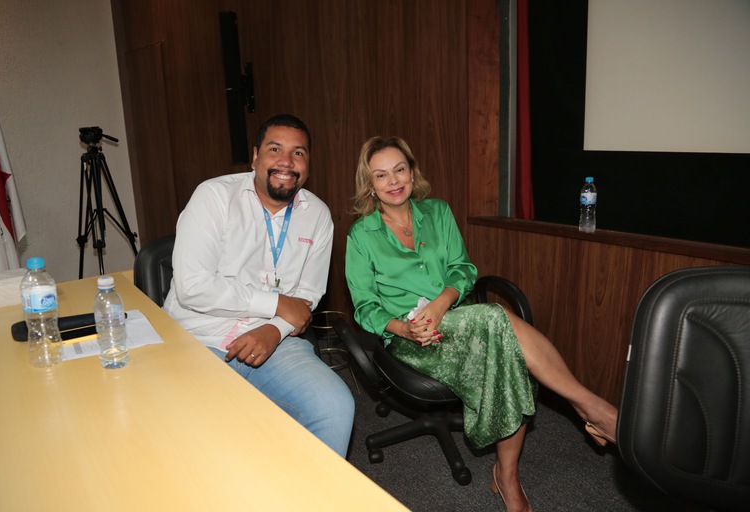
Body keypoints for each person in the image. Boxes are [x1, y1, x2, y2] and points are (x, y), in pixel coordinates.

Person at [344, 135, 618, 511]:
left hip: (458, 320)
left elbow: (463, 269)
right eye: (381, 175)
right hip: (411, 339)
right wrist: (404, 328)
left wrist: (441, 303)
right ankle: (589, 408)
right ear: (370, 185)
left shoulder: (438, 212)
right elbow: (364, 307)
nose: (393, 181)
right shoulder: (361, 235)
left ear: (412, 172)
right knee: (497, 318)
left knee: (505, 348)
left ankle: (508, 475)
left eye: (400, 170)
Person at [163, 114, 354, 457]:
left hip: (274, 340)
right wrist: (277, 304)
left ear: (308, 164)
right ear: (255, 156)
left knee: (335, 406)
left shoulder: (317, 215)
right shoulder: (213, 197)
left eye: (298, 153)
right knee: (212, 438)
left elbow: (307, 296)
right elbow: (193, 287)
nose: (287, 161)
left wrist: (274, 330)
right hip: (199, 338)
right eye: (275, 149)